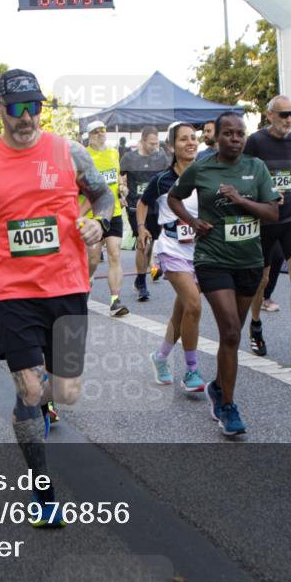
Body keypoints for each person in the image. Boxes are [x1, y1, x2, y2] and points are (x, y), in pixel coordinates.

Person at [0, 68, 113, 526]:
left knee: (67, 390)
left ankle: (44, 402)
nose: (27, 117)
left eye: (34, 106)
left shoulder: (68, 151)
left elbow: (103, 197)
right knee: (29, 386)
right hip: (11, 290)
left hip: (67, 283)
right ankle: (43, 492)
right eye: (17, 108)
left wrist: (101, 223)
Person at [168, 112, 280, 435]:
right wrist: (192, 222)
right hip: (212, 258)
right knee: (229, 331)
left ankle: (218, 387)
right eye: (228, 133)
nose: (235, 139)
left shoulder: (255, 168)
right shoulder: (202, 168)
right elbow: (174, 197)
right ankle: (228, 406)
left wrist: (239, 199)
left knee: (234, 335)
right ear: (216, 136)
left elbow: (272, 213)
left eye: (240, 133)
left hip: (249, 261)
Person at [246, 96, 291, 360]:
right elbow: (245, 175)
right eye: (284, 114)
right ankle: (255, 326)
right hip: (264, 219)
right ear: (270, 116)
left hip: (289, 217)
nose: (289, 119)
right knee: (261, 279)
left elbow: (288, 174)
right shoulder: (255, 141)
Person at [140, 123, 207, 392]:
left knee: (183, 312)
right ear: (171, 146)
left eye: (193, 138)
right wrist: (143, 227)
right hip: (170, 247)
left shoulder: (206, 176)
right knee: (193, 305)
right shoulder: (162, 180)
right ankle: (192, 371)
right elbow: (144, 202)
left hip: (201, 250)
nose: (190, 142)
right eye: (183, 139)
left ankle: (160, 357)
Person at [79, 120, 128, 316]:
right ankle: (87, 281)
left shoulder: (114, 153)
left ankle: (115, 300)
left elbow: (116, 181)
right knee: (92, 259)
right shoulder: (83, 157)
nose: (101, 134)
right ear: (89, 136)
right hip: (92, 217)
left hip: (113, 213)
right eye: (96, 132)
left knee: (115, 254)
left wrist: (122, 190)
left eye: (103, 131)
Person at [121, 126, 169, 301]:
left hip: (155, 206)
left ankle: (140, 277)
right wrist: (122, 190)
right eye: (151, 144)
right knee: (144, 240)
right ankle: (142, 283)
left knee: (151, 241)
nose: (154, 147)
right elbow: (120, 176)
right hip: (135, 206)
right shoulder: (129, 158)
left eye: (157, 143)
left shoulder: (161, 157)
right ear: (142, 140)